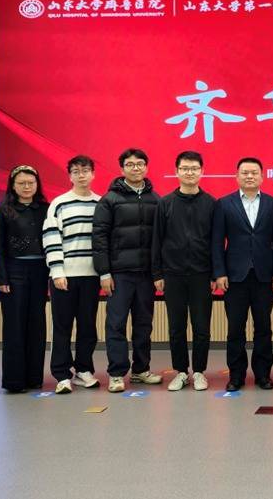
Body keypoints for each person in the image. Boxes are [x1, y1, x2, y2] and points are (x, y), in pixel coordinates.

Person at [92, 148, 162, 393]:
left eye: (140, 164)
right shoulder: (109, 199)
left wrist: (158, 273)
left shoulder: (156, 199)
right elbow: (99, 238)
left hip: (146, 274)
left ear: (146, 167)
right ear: (122, 169)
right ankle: (116, 373)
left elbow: (161, 239)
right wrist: (104, 272)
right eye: (130, 164)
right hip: (119, 274)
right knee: (116, 324)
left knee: (144, 324)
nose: (136, 168)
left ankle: (141, 370)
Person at [212, 157, 273, 391]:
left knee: (263, 328)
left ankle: (263, 374)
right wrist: (219, 272)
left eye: (254, 172)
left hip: (264, 276)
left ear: (262, 176)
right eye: (245, 173)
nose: (250, 176)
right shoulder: (224, 204)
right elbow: (217, 242)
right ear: (237, 176)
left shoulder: (272, 204)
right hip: (234, 277)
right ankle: (236, 375)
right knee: (235, 328)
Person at [152, 151, 215, 392]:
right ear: (177, 171)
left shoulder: (211, 203)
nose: (190, 172)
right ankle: (180, 371)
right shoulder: (165, 203)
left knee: (201, 327)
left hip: (201, 275)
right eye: (185, 168)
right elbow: (157, 240)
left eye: (194, 168)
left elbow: (216, 242)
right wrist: (157, 274)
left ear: (202, 171)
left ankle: (199, 372)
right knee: (176, 327)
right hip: (173, 274)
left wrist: (214, 274)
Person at [43, 155, 101, 394]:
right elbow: (51, 238)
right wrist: (57, 271)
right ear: (69, 176)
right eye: (76, 171)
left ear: (93, 174)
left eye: (85, 170)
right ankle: (62, 374)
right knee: (62, 326)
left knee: (88, 326)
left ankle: (83, 370)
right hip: (64, 276)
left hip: (91, 276)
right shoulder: (59, 203)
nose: (81, 175)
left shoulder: (100, 203)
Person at [0, 165, 49, 393]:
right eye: (21, 183)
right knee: (14, 325)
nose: (27, 187)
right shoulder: (3, 210)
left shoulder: (46, 209)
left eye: (31, 183)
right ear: (13, 186)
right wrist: (1, 278)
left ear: (37, 185)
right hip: (13, 272)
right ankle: (14, 381)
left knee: (37, 324)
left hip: (40, 271)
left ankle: (34, 378)